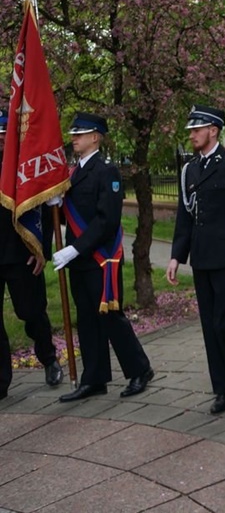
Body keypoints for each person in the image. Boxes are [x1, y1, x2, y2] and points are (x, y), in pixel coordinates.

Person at [166, 105, 225, 414]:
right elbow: (186, 216)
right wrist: (176, 256)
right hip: (202, 257)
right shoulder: (190, 169)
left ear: (213, 131)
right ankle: (222, 389)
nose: (192, 134)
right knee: (209, 325)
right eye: (191, 130)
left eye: (197, 129)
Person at [54, 112, 153, 402]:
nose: (74, 138)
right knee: (86, 319)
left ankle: (140, 370)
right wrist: (55, 206)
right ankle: (94, 378)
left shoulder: (107, 172)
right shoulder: (73, 173)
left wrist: (75, 248)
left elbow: (106, 220)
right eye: (73, 133)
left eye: (80, 134)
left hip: (101, 258)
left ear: (95, 137)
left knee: (111, 317)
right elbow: (72, 216)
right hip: (79, 260)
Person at [0, 109, 63, 399]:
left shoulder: (24, 167)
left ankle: (49, 359)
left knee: (31, 311)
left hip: (21, 253)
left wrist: (42, 250)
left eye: (4, 133)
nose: (1, 139)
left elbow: (42, 212)